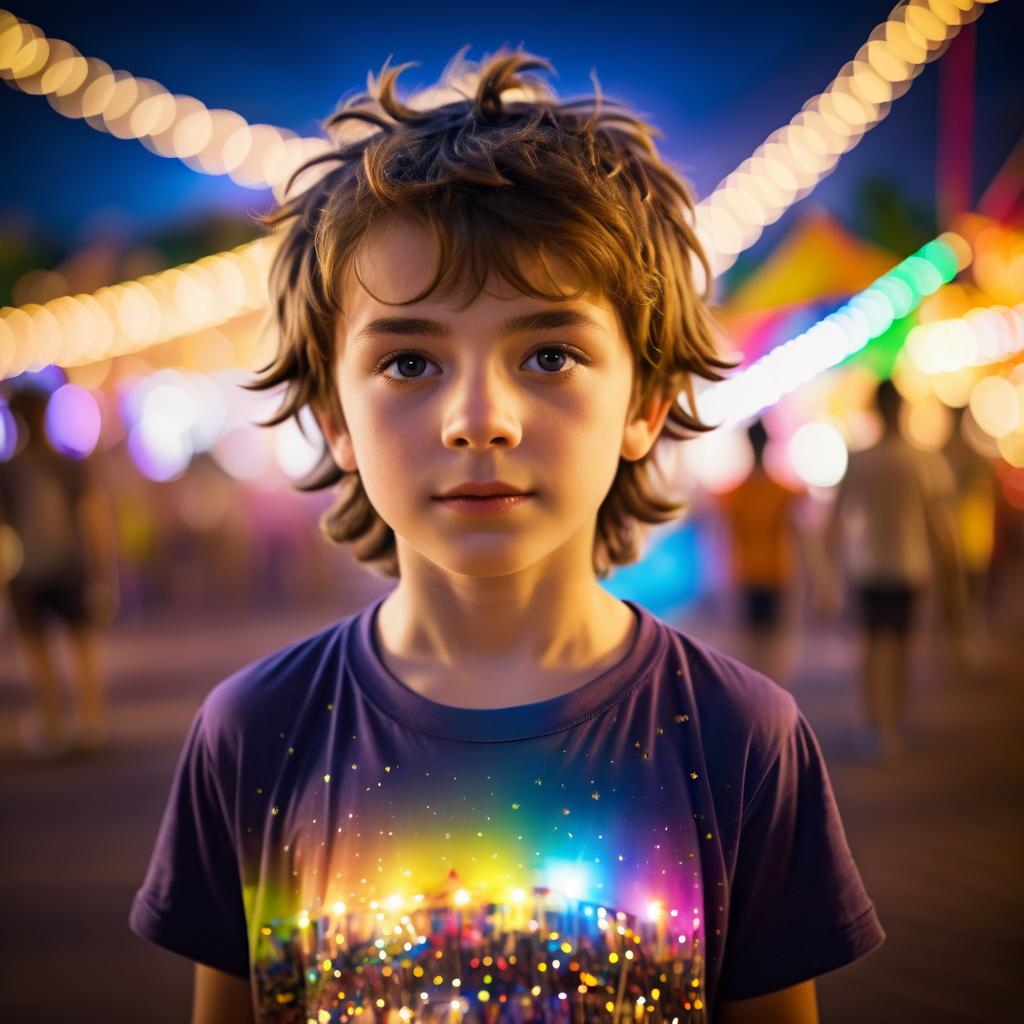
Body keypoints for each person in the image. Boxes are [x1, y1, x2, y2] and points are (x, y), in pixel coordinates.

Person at [129, 49, 885, 1024]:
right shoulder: (254, 733)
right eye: (408, 361)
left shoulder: (744, 737)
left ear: (646, 401)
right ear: (332, 415)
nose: (477, 418)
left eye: (546, 353)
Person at [818, 378, 966, 763]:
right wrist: (953, 574)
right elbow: (940, 524)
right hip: (909, 567)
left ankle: (875, 725)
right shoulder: (924, 460)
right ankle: (892, 723)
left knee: (873, 648)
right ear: (901, 408)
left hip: (868, 567)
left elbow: (835, 522)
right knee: (900, 646)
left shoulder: (861, 459)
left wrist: (828, 576)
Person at [0, 386, 118, 758]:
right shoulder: (67, 463)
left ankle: (52, 723)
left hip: (29, 571)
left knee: (40, 650)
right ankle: (89, 720)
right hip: (69, 566)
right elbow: (94, 518)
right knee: (79, 643)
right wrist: (102, 572)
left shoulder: (10, 470)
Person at [716, 418, 805, 682]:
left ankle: (756, 691)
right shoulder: (782, 492)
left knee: (751, 642)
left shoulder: (734, 493)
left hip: (746, 573)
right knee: (773, 641)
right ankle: (771, 690)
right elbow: (798, 537)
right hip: (777, 572)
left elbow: (723, 538)